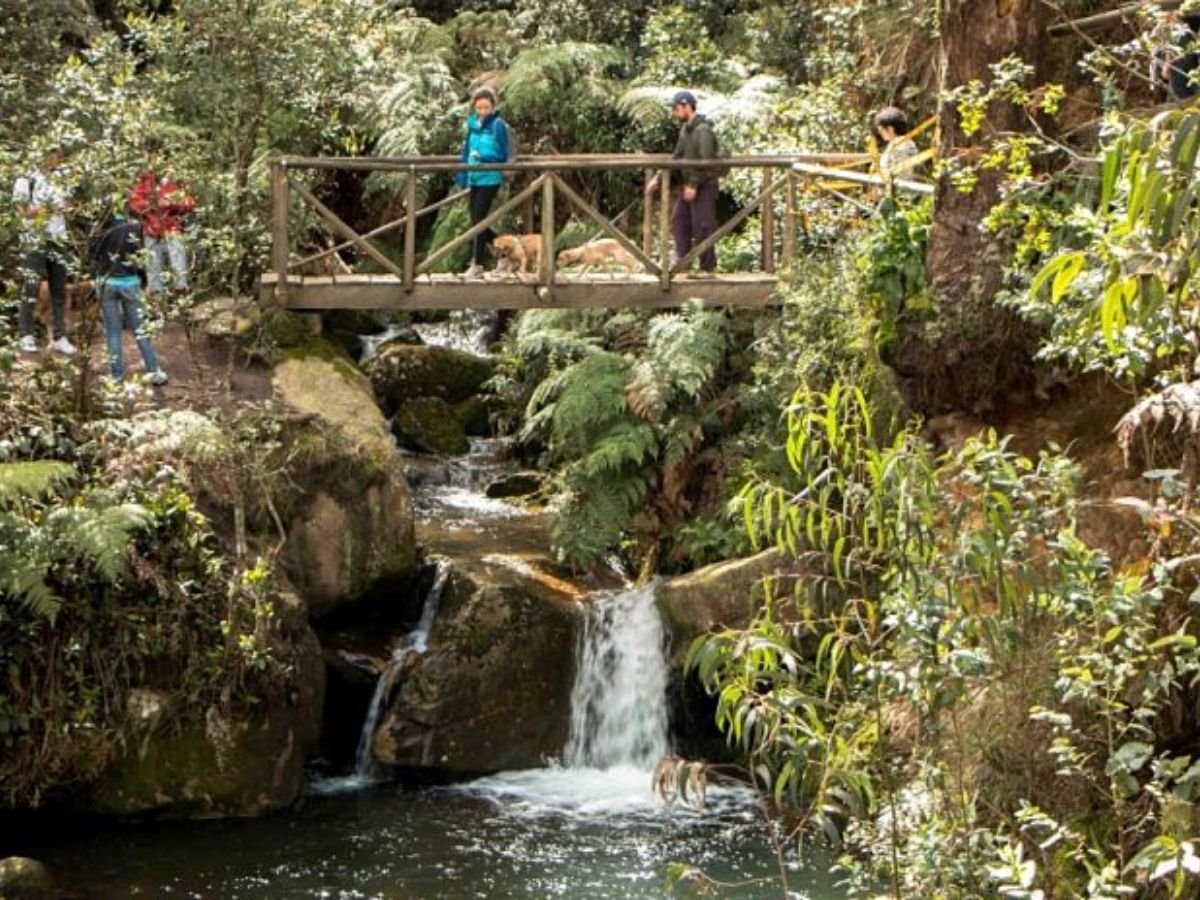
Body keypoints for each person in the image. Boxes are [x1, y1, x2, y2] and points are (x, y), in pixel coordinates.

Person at [647, 90, 720, 278]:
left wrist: (694, 185)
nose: (674, 113)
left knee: (703, 225)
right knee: (679, 221)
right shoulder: (685, 129)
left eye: (676, 108)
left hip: (704, 185)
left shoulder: (703, 130)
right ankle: (683, 264)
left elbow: (707, 162)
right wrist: (658, 176)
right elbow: (677, 157)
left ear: (687, 106)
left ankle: (708, 268)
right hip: (689, 184)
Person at [92, 211, 168, 386]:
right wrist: (146, 281)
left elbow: (95, 256)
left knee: (113, 332)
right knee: (140, 330)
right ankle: (154, 371)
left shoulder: (103, 229)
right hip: (130, 283)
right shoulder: (137, 229)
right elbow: (143, 259)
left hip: (106, 282)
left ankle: (116, 377)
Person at [13, 147, 76, 355]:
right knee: (30, 287)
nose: (58, 160)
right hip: (34, 239)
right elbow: (22, 211)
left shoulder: (61, 177)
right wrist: (49, 208)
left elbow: (68, 204)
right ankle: (26, 334)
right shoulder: (25, 177)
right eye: (55, 155)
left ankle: (59, 336)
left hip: (58, 238)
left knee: (59, 289)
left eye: (60, 156)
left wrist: (67, 208)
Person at [455, 86, 511, 280]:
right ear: (474, 107)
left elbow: (503, 155)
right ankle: (505, 255)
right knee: (477, 221)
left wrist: (484, 156)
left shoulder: (498, 125)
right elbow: (465, 152)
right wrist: (462, 176)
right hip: (474, 177)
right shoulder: (472, 125)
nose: (483, 111)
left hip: (490, 178)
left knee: (478, 221)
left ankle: (477, 265)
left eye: (486, 107)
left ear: (493, 106)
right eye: (479, 108)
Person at [129, 137, 195, 296]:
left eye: (152, 153)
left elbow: (190, 201)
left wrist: (171, 203)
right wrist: (150, 205)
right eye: (147, 154)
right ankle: (157, 313)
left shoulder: (175, 176)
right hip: (151, 231)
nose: (149, 157)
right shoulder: (144, 178)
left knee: (180, 275)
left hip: (172, 229)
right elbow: (134, 201)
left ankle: (181, 307)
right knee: (153, 280)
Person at [874, 107, 919, 175]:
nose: (879, 133)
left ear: (890, 129)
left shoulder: (901, 145)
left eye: (881, 130)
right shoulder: (904, 143)